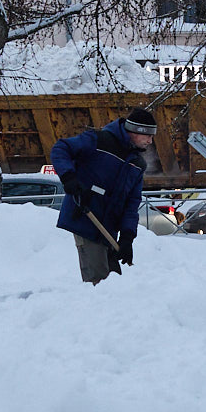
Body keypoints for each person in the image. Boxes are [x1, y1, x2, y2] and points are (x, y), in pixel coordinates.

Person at [50, 107, 157, 284]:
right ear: (135, 131)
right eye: (148, 136)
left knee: (114, 280)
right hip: (86, 217)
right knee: (98, 279)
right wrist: (69, 178)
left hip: (108, 229)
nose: (150, 141)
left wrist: (127, 237)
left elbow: (131, 204)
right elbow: (61, 148)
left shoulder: (137, 164)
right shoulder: (99, 141)